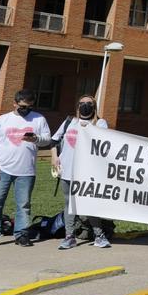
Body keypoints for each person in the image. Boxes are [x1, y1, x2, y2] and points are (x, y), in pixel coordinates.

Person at [0, 90, 51, 248]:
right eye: (22, 106)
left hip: (26, 171)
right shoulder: (2, 120)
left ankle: (21, 234)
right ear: (15, 103)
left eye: (29, 107)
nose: (25, 109)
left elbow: (47, 139)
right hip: (2, 169)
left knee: (23, 205)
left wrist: (35, 138)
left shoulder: (39, 119)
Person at [51, 95, 111, 249]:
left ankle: (99, 235)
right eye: (82, 103)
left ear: (94, 106)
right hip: (67, 170)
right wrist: (54, 157)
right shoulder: (69, 122)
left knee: (88, 204)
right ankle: (69, 236)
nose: (85, 106)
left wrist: (89, 128)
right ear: (77, 106)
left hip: (87, 173)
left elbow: (103, 142)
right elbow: (54, 140)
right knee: (69, 204)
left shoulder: (100, 123)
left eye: (89, 104)